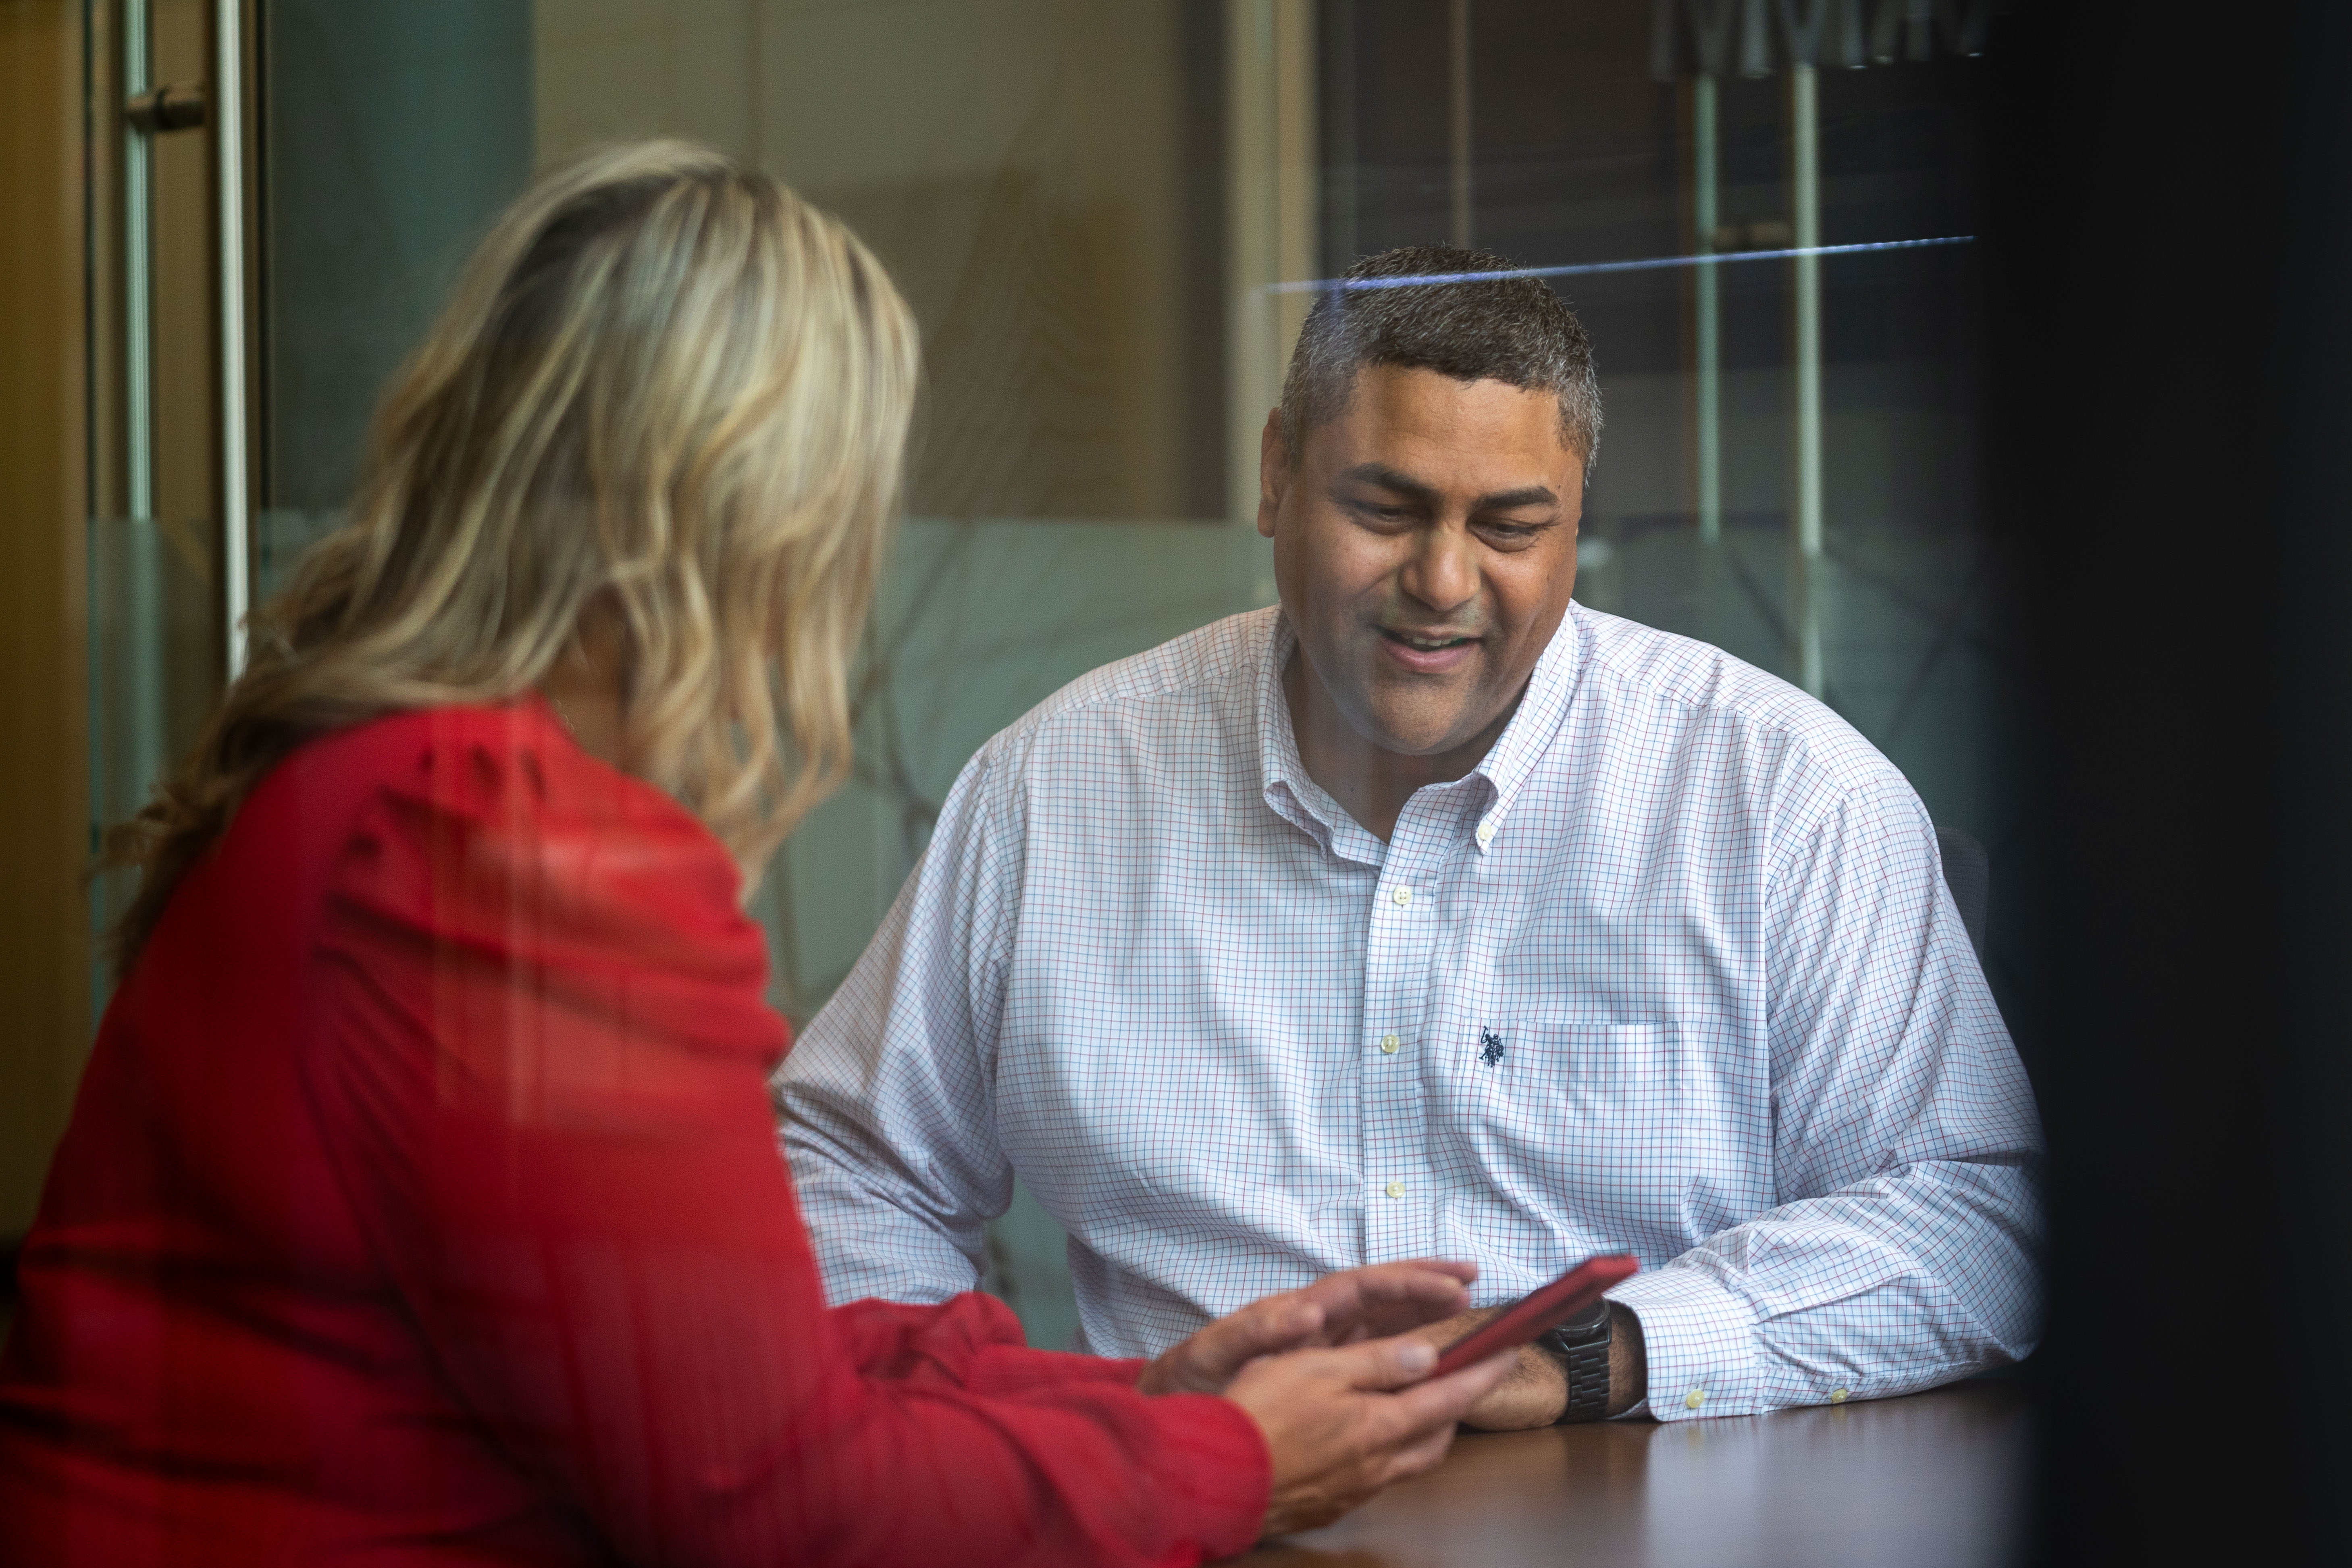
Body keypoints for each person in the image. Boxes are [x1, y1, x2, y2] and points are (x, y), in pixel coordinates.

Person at [0, 147, 1516, 1566]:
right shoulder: (510, 851)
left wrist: (1145, 1398)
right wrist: (1222, 1467)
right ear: (759, 521)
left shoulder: (373, 781)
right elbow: (777, 1503)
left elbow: (696, 1356)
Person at [778, 244, 2045, 1430]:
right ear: (1276, 476)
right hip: (1201, 1522)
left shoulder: (1782, 797)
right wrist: (987, 1432)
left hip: (1644, 1512)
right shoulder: (1057, 788)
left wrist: (1596, 1356)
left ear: (1575, 521)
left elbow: (1979, 1217)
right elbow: (845, 1161)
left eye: (1508, 526)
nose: (1442, 582)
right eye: (1385, 508)